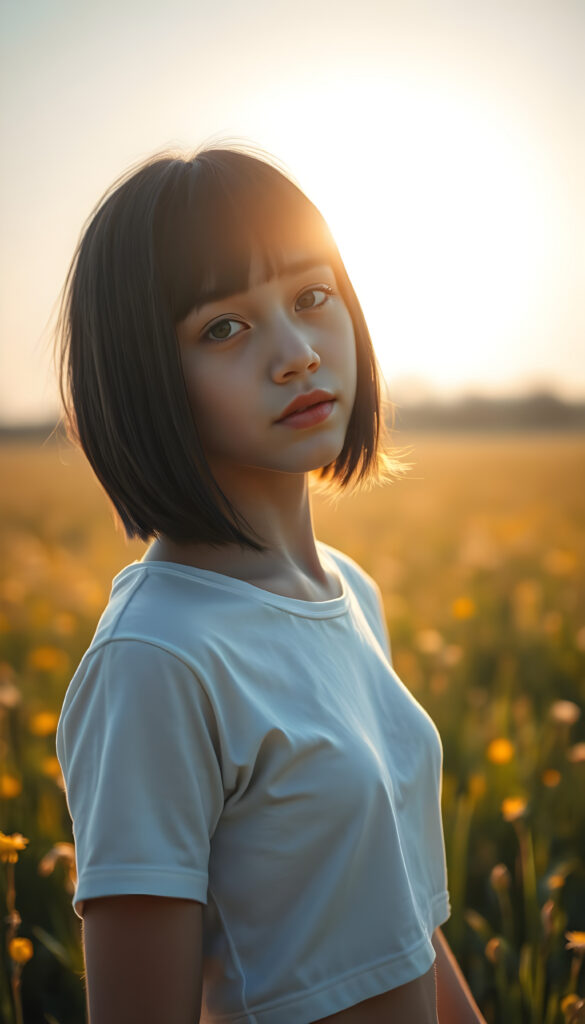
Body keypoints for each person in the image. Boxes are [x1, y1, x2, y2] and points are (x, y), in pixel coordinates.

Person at [55, 145, 485, 1024]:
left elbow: (397, 919)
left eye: (311, 298)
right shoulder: (155, 658)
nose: (295, 354)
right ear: (144, 378)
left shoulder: (348, 592)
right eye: (223, 326)